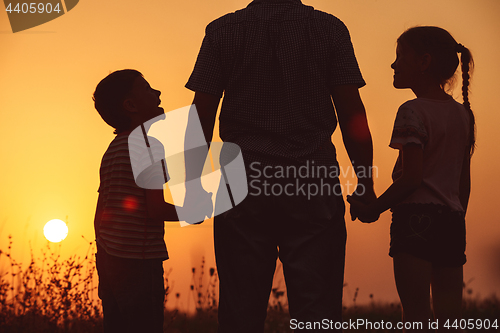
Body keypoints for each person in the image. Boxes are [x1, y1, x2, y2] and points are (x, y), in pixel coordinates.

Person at [185, 1, 375, 331]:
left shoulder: (222, 31)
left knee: (240, 311)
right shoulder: (329, 29)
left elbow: (201, 114)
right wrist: (365, 181)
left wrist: (192, 183)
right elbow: (352, 115)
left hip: (242, 180)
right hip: (312, 179)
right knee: (318, 311)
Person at [348, 26, 475, 332]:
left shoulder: (411, 111)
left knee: (416, 316)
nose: (394, 64)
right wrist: (457, 219)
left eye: (400, 55)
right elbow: (463, 183)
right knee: (450, 320)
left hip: (415, 220)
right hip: (453, 221)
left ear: (424, 62)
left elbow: (411, 178)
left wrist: (373, 207)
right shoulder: (463, 115)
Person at [92, 69, 196, 333]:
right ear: (131, 105)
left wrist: (104, 259)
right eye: (148, 88)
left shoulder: (113, 149)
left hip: (109, 261)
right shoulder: (149, 146)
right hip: (139, 263)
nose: (157, 93)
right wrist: (191, 211)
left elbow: (100, 212)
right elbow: (156, 208)